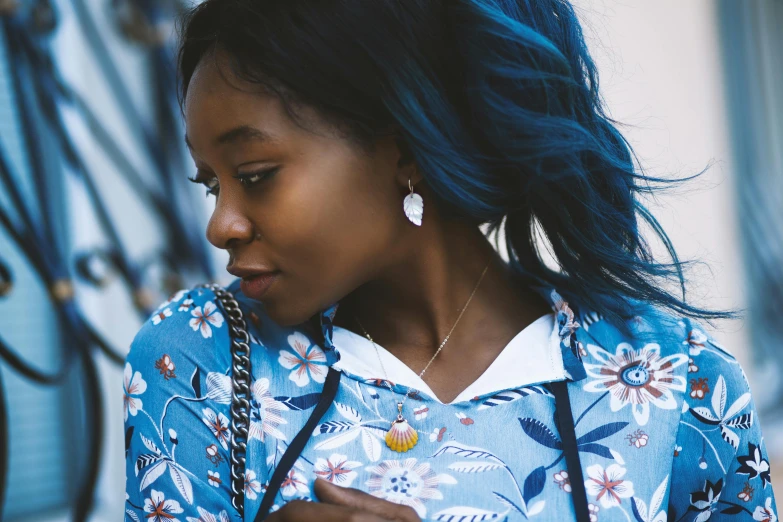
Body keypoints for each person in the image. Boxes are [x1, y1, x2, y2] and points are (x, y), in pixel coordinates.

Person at [123, 1, 777, 520]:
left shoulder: (674, 383)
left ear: (405, 149)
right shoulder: (199, 363)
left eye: (256, 173)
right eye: (212, 184)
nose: (220, 225)